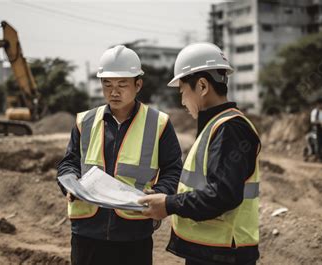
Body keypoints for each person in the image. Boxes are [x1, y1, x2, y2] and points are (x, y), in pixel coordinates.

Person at [56, 45, 182, 265]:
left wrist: (160, 193)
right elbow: (70, 162)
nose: (114, 91)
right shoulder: (84, 121)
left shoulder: (158, 123)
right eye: (107, 84)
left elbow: (173, 168)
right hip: (87, 233)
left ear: (138, 84)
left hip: (134, 233)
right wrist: (69, 183)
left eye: (122, 84)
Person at [139, 42, 261, 265]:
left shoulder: (229, 129)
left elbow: (223, 194)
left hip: (223, 255)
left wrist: (169, 204)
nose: (181, 100)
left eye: (182, 90)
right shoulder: (217, 126)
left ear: (202, 86)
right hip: (213, 252)